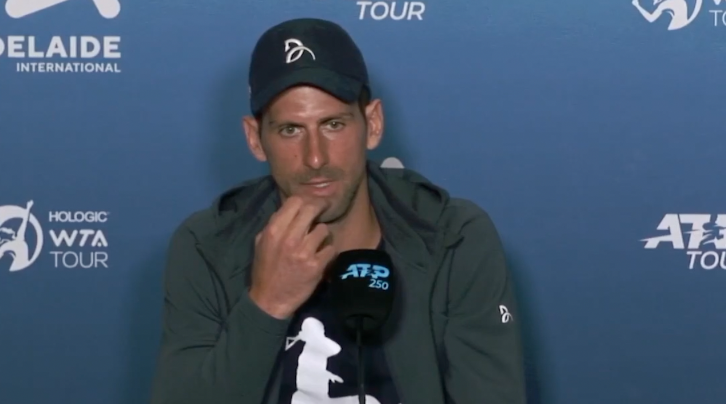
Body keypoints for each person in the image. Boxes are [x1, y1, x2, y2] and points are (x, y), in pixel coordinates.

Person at [150, 17, 527, 404]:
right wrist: (267, 303)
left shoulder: (453, 239)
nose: (315, 158)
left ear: (372, 124)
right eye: (290, 130)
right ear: (255, 139)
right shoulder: (207, 247)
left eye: (333, 124)